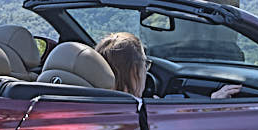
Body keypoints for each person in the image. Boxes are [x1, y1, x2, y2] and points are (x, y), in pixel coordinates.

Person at [94, 32, 241, 99]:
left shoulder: (93, 102)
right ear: (133, 70)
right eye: (144, 64)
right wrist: (213, 104)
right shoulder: (134, 110)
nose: (146, 71)